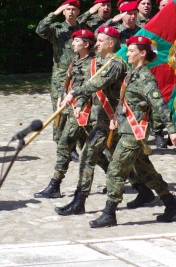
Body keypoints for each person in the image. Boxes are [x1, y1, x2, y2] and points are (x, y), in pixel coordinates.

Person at [89, 35, 176, 228]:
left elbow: (159, 104)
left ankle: (109, 213)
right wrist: (116, 118)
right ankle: (171, 204)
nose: (128, 53)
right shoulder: (133, 72)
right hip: (125, 128)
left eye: (132, 51)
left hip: (134, 131)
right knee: (145, 171)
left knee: (115, 171)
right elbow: (126, 100)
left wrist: (172, 130)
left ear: (143, 53)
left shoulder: (145, 77)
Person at [56, 26, 127, 215]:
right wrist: (79, 100)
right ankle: (157, 195)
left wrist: (74, 93)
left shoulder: (115, 63)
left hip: (115, 119)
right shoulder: (101, 61)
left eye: (101, 41)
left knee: (89, 155)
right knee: (138, 163)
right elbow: (87, 84)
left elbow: (96, 83)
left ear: (111, 43)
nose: (97, 44)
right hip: (103, 118)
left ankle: (80, 202)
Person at [35, 29, 96, 199]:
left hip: (82, 112)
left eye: (76, 41)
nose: (72, 44)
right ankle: (138, 184)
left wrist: (76, 100)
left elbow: (89, 88)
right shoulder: (76, 60)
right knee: (93, 150)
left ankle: (55, 185)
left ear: (86, 44)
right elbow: (67, 81)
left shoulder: (92, 64)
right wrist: (62, 96)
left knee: (64, 145)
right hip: (71, 110)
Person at [36, 0, 85, 145]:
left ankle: (74, 142)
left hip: (79, 73)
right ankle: (60, 142)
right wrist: (54, 13)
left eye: (74, 9)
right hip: (61, 75)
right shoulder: (57, 29)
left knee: (77, 107)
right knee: (60, 109)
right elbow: (40, 30)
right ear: (64, 12)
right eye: (68, 9)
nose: (71, 12)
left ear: (78, 12)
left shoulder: (82, 29)